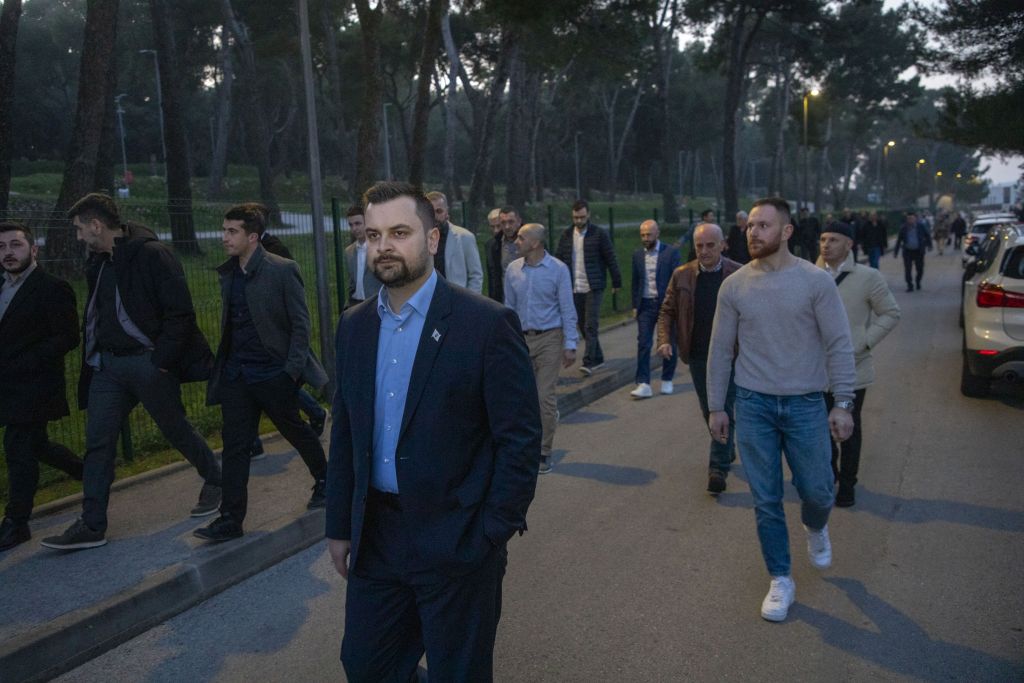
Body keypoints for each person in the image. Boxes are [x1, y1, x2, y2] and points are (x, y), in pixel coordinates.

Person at [325, 181, 541, 681]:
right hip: (377, 537)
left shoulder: (485, 324)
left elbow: (520, 438)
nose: (384, 246)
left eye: (400, 233)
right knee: (367, 666)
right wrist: (339, 525)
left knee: (459, 673)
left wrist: (491, 531)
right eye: (373, 235)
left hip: (458, 538)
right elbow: (346, 433)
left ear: (434, 239)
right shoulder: (354, 326)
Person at [42, 194, 222, 550]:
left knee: (175, 428)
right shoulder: (98, 261)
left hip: (148, 362)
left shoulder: (152, 255)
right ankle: (92, 524)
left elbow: (180, 312)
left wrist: (162, 361)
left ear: (96, 225)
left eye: (80, 229)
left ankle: (217, 479)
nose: (78, 236)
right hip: (108, 368)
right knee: (98, 441)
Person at [707, 197, 856, 622]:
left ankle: (815, 525)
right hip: (753, 404)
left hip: (806, 403)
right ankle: (780, 578)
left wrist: (843, 403)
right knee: (766, 498)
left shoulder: (815, 282)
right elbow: (721, 350)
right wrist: (717, 406)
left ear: (787, 231)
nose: (753, 232)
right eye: (750, 225)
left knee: (819, 490)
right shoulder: (734, 286)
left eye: (763, 225)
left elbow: (839, 344)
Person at [193, 204, 330, 542]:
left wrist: (290, 373)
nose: (224, 237)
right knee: (235, 446)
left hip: (272, 373)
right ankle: (230, 518)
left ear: (252, 237)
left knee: (294, 429)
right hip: (237, 375)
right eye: (224, 230)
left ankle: (327, 480)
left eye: (232, 231)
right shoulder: (229, 273)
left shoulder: (282, 270)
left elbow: (301, 325)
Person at [0, 223, 83, 551]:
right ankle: (90, 473)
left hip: (35, 384)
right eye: (1, 247)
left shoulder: (52, 288)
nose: (8, 252)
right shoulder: (1, 286)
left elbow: (68, 337)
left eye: (16, 245)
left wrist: (27, 360)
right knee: (37, 446)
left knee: (17, 447)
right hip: (7, 386)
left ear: (33, 250)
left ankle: (16, 522)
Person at [817, 223, 900, 507]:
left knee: (848, 429)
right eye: (823, 239)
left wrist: (863, 341)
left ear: (849, 244)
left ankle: (848, 485)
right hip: (814, 372)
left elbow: (890, 313)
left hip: (853, 369)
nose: (826, 245)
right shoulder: (809, 275)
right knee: (820, 431)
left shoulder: (868, 277)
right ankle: (830, 475)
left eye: (834, 239)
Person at [238, 203, 328, 461]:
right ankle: (251, 444)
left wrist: (292, 367)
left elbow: (297, 315)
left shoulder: (276, 254)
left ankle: (321, 468)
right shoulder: (236, 263)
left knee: (286, 408)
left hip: (278, 344)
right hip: (250, 351)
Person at [656, 223, 741, 494]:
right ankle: (726, 446)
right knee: (708, 409)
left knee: (722, 407)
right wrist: (664, 340)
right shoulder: (682, 275)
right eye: (699, 246)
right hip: (698, 354)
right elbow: (667, 310)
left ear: (722, 244)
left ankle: (717, 468)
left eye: (710, 245)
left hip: (731, 355)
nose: (704, 251)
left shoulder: (738, 274)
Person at [504, 223, 578, 474]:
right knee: (523, 398)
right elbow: (509, 308)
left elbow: (567, 307)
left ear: (535, 243)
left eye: (521, 238)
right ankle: (525, 446)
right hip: (521, 339)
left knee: (543, 396)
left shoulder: (558, 269)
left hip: (550, 338)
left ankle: (544, 451)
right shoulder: (513, 270)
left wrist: (570, 344)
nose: (516, 241)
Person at [555, 200, 622, 375]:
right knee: (582, 324)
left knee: (591, 324)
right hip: (574, 286)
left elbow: (610, 257)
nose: (579, 220)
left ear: (588, 215)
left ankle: (589, 361)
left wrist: (616, 281)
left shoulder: (598, 234)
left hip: (594, 285)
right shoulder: (566, 235)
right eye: (576, 217)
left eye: (582, 217)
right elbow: (559, 259)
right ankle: (598, 357)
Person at [629, 219, 680, 398]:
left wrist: (675, 305)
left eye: (649, 235)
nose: (645, 238)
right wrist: (634, 305)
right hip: (645, 304)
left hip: (665, 304)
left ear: (657, 234)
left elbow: (677, 281)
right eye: (642, 235)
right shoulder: (637, 255)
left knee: (668, 341)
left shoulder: (670, 253)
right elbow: (635, 281)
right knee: (644, 343)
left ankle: (667, 378)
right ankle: (643, 383)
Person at [426, 191, 484, 292]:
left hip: (456, 298)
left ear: (446, 212)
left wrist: (469, 300)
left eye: (439, 211)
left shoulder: (465, 237)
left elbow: (476, 276)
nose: (434, 216)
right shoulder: (420, 239)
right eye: (431, 212)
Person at [344, 204, 384, 307]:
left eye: (358, 223)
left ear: (367, 223)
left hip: (376, 303)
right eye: (351, 225)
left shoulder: (379, 248)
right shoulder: (349, 251)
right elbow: (352, 283)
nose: (354, 228)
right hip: (355, 303)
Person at [485, 206, 520, 302]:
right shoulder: (493, 245)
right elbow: (493, 276)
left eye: (511, 222)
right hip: (503, 299)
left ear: (518, 222)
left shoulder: (529, 241)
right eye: (503, 223)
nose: (507, 226)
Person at [893, 211, 932, 292]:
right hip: (908, 251)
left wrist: (929, 245)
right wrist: (896, 252)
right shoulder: (904, 228)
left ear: (915, 219)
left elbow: (927, 235)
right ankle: (909, 285)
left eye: (912, 218)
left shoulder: (921, 226)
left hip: (918, 251)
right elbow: (899, 240)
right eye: (909, 219)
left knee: (920, 269)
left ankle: (918, 281)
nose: (910, 220)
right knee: (908, 269)